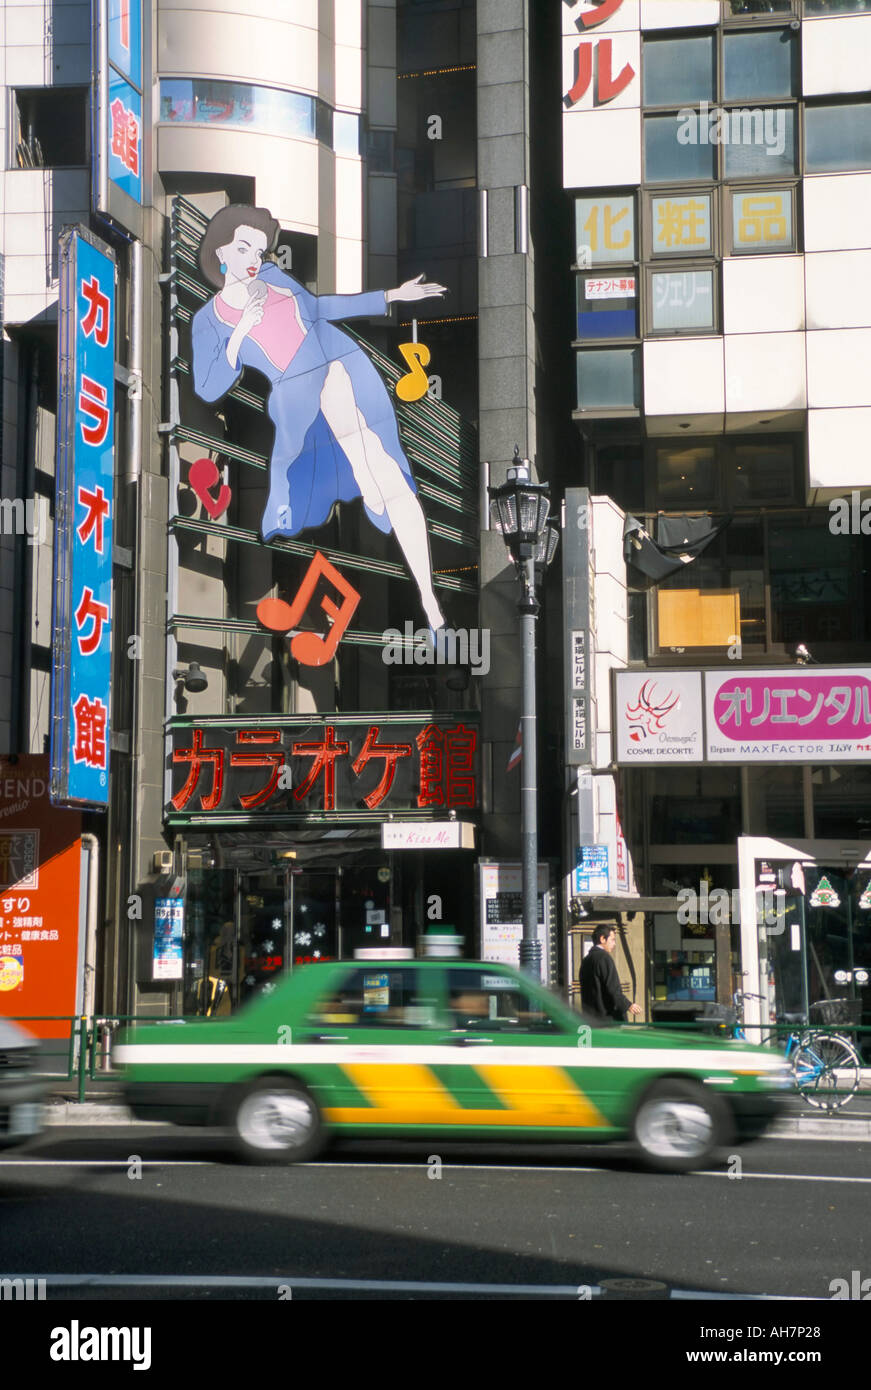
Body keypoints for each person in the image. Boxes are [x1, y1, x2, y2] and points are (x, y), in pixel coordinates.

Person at [191, 203, 448, 632]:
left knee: (391, 476)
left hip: (337, 360)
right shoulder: (209, 319)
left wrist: (389, 297)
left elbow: (319, 308)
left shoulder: (273, 279)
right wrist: (239, 333)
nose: (255, 260)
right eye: (244, 248)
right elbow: (208, 385)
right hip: (295, 391)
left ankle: (429, 598)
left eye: (259, 250)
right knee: (375, 470)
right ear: (220, 253)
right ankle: (369, 478)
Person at [579, 924, 642, 1026]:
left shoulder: (586, 960)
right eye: (612, 940)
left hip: (591, 1020)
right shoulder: (604, 958)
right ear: (603, 939)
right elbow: (612, 988)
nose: (615, 944)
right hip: (608, 1020)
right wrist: (628, 1005)